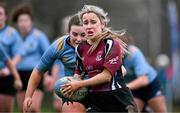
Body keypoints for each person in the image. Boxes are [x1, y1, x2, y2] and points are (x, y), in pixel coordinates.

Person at [61, 5, 137, 112]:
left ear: (102, 24)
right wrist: (70, 86)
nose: (89, 26)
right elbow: (78, 73)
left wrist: (79, 84)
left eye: (93, 22)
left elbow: (106, 77)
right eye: (85, 23)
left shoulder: (110, 44)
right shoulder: (80, 48)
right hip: (95, 100)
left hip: (118, 99)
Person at [23, 14, 87, 113]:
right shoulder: (59, 45)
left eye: (83, 35)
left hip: (96, 89)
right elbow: (38, 71)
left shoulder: (97, 44)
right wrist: (28, 96)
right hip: (72, 90)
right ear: (68, 32)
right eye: (74, 34)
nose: (78, 39)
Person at [11, 4, 50, 112]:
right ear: (17, 23)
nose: (23, 23)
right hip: (19, 75)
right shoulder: (14, 38)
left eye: (26, 20)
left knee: (33, 108)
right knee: (24, 109)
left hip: (36, 74)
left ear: (31, 21)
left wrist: (47, 76)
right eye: (21, 21)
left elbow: (48, 57)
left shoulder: (39, 36)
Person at [121, 31, 167, 113]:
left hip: (150, 85)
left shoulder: (134, 53)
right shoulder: (111, 55)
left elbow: (143, 80)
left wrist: (123, 87)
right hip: (134, 90)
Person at [0, 2, 23, 112]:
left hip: (6, 76)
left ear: (5, 16)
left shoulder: (12, 33)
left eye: (0, 14)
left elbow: (17, 55)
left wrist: (8, 70)